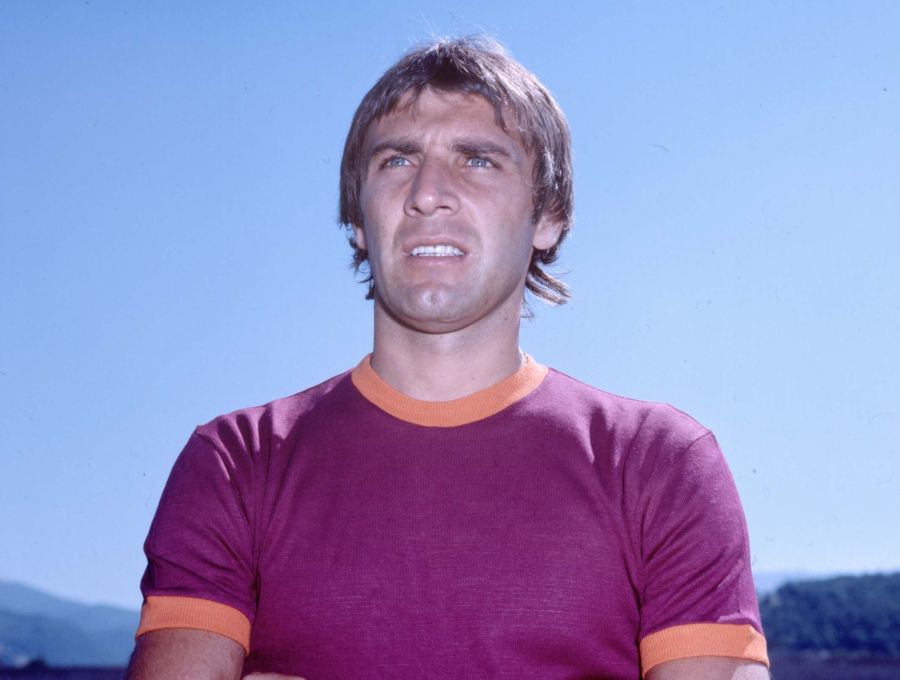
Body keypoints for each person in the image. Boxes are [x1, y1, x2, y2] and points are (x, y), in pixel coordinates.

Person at [128, 37, 770, 680]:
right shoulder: (236, 462)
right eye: (397, 160)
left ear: (548, 216)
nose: (428, 192)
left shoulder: (659, 463)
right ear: (358, 219)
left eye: (478, 160)